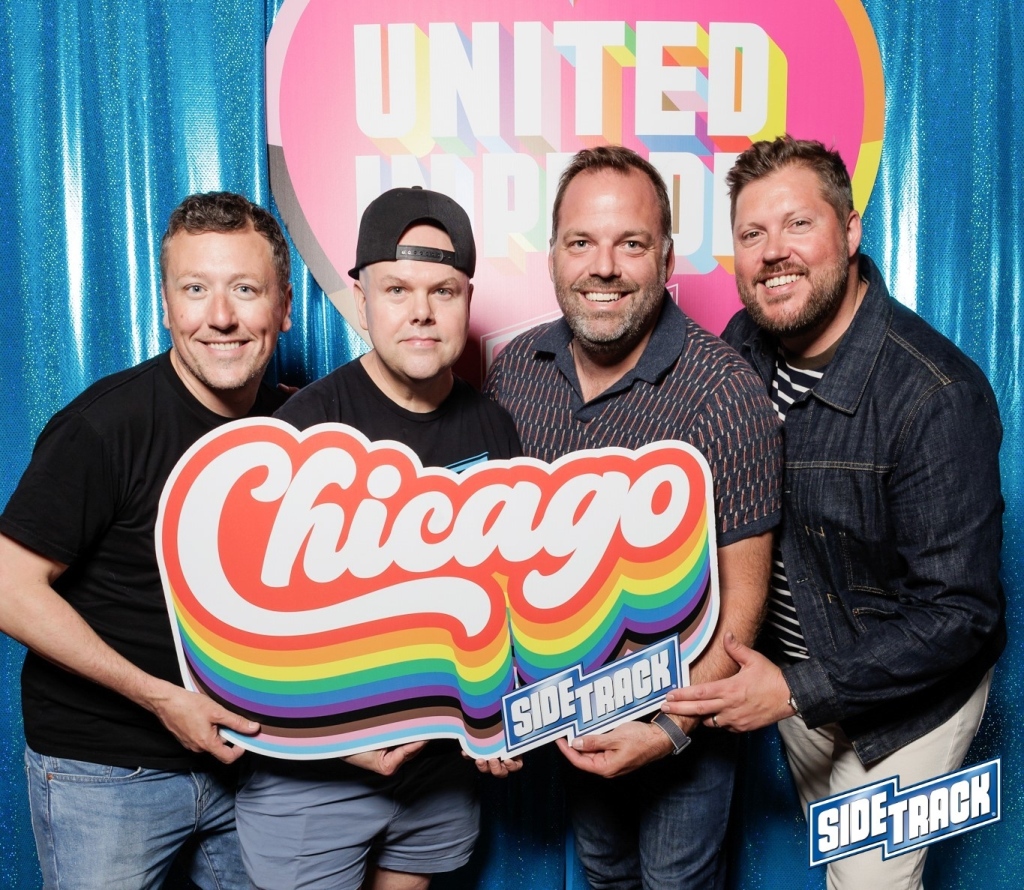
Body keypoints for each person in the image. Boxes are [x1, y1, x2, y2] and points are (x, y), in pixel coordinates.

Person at [663, 135, 1005, 889]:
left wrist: (792, 692)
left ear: (850, 232)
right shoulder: (742, 349)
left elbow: (963, 614)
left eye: (798, 224)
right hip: (796, 679)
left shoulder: (935, 395)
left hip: (910, 706)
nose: (773, 253)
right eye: (752, 233)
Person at [484, 146, 782, 889]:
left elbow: (744, 601)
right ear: (553, 255)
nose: (604, 267)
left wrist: (671, 730)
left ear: (667, 258)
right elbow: (489, 555)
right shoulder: (515, 373)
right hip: (568, 713)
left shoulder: (724, 392)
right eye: (581, 241)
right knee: (604, 872)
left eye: (632, 244)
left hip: (681, 720)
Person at [0, 191, 294, 889]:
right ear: (165, 305)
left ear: (283, 307)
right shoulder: (104, 427)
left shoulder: (299, 427)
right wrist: (162, 699)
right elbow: (9, 588)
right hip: (107, 770)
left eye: (245, 289)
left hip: (256, 767)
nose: (219, 317)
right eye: (194, 289)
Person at [234, 186, 523, 890]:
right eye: (397, 289)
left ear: (466, 301)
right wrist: (339, 736)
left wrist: (500, 715)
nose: (421, 311)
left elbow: (506, 595)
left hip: (439, 772)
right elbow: (257, 631)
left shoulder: (494, 427)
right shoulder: (302, 433)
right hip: (316, 779)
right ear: (361, 301)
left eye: (442, 291)